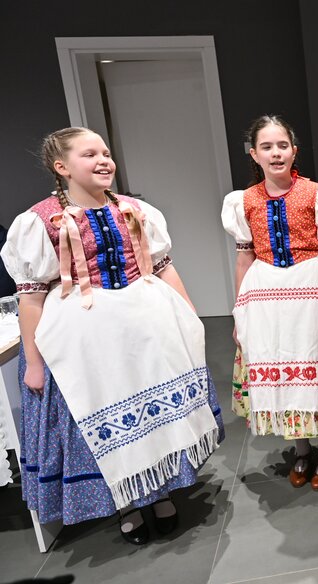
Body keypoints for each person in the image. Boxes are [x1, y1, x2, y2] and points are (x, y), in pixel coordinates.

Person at [1, 127, 224, 545]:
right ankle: (128, 503)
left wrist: (190, 318)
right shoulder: (39, 221)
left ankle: (161, 491)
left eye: (105, 152)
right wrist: (33, 362)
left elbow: (164, 268)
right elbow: (30, 297)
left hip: (146, 328)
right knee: (104, 415)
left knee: (156, 414)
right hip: (86, 338)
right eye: (89, 154)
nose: (103, 160)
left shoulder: (136, 210)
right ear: (62, 167)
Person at [222, 115, 318, 492]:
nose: (276, 153)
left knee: (314, 367)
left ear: (294, 151)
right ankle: (301, 450)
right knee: (281, 369)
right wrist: (239, 311)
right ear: (254, 154)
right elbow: (244, 258)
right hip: (266, 297)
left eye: (282, 145)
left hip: (312, 291)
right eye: (266, 147)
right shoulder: (244, 201)